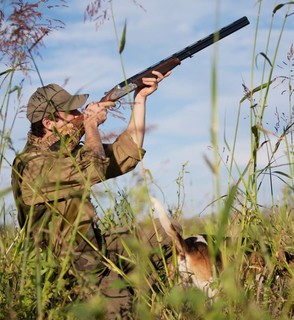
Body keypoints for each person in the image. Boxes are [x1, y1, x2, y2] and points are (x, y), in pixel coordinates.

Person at [11, 71, 175, 319]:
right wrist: (90, 126)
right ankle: (114, 299)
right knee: (121, 311)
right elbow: (93, 170)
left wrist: (140, 99)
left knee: (168, 233)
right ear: (48, 123)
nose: (80, 114)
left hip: (91, 244)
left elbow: (125, 155)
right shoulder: (33, 165)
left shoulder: (67, 153)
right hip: (67, 262)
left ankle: (139, 292)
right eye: (73, 112)